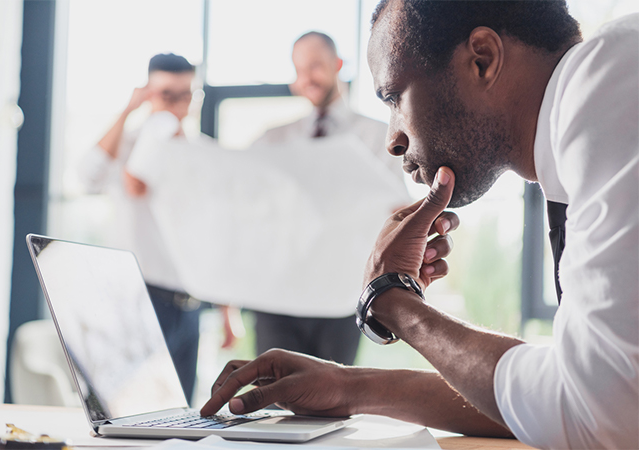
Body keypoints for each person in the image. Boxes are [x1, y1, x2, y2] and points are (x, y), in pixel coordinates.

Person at [200, 2, 639, 449]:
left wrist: (394, 304)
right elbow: (572, 392)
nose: (393, 140)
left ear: (482, 59)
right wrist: (350, 387)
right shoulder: (595, 105)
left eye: (394, 97)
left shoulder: (610, 87)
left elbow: (599, 416)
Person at [77, 53, 237, 404]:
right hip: (139, 298)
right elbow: (87, 176)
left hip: (191, 302)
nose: (178, 105)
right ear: (149, 94)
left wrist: (228, 311)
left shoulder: (204, 155)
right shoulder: (127, 146)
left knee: (181, 409)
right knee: (127, 403)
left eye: (186, 95)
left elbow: (216, 235)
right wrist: (127, 110)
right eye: (168, 94)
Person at [250, 31, 408, 366]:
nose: (307, 78)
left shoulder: (378, 138)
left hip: (342, 296)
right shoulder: (272, 142)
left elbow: (396, 212)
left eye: (316, 66)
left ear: (337, 65)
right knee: (271, 399)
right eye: (299, 71)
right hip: (278, 296)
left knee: (331, 400)